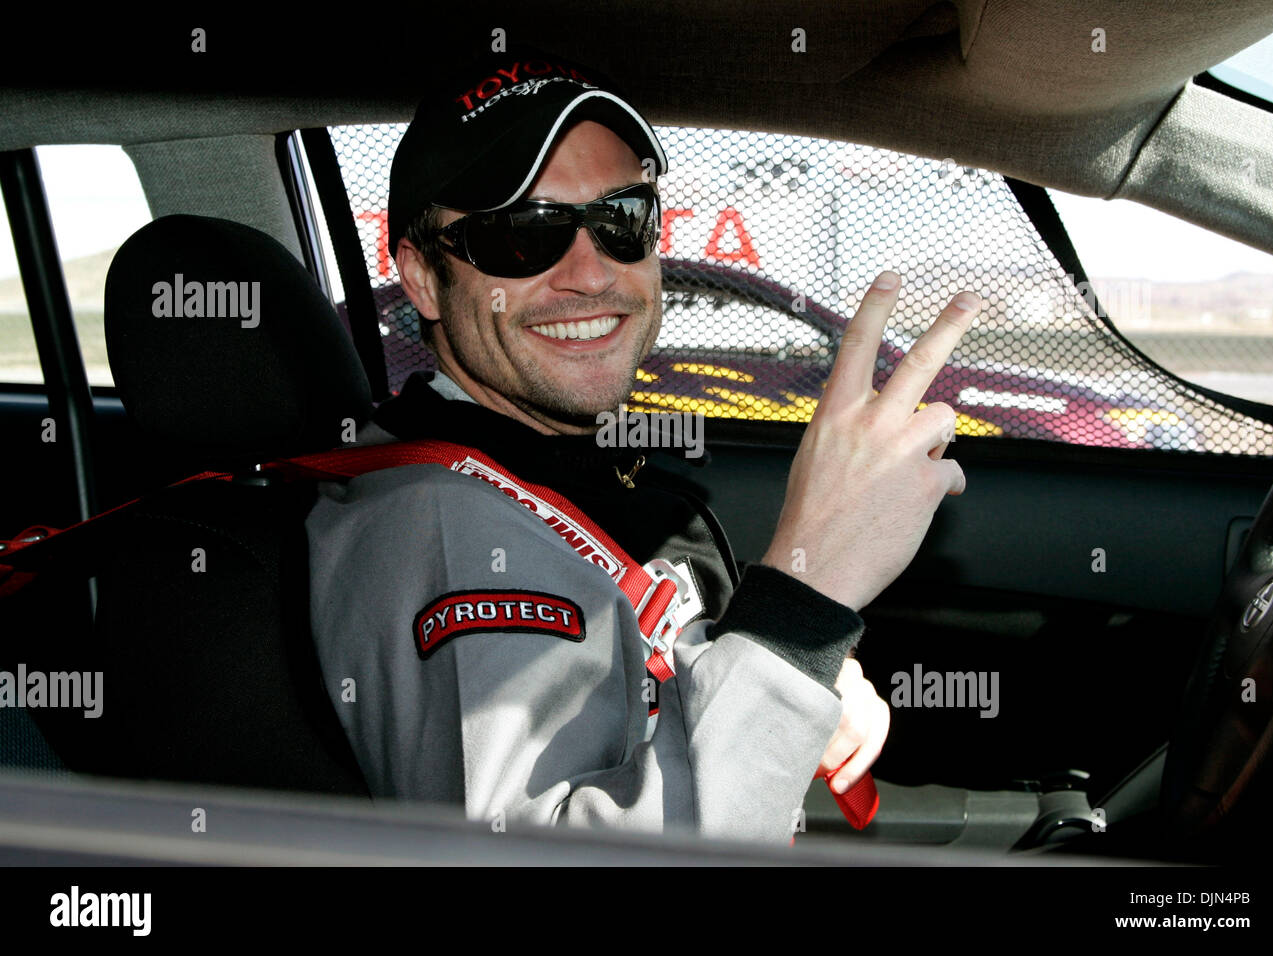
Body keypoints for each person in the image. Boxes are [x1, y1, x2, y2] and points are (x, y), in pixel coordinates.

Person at [306, 45, 978, 843]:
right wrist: (807, 599)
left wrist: (795, 685)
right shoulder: (441, 526)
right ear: (422, 279)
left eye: (622, 219)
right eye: (524, 234)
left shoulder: (565, 472)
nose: (591, 274)